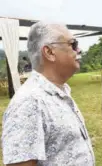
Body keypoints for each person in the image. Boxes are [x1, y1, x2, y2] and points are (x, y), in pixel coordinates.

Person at [1, 21, 95, 166]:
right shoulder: (29, 102)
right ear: (49, 52)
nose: (79, 50)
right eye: (73, 44)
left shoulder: (59, 91)